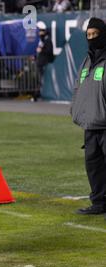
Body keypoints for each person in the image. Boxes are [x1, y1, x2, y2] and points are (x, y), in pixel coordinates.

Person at [71, 18, 106, 216]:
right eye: (89, 35)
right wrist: (75, 109)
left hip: (104, 123)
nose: (92, 38)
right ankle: (99, 203)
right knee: (94, 167)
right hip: (90, 123)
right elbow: (78, 87)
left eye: (95, 34)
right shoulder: (87, 60)